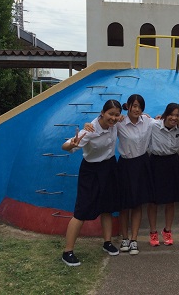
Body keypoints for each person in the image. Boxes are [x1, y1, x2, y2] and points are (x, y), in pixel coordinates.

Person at [61, 99, 122, 267]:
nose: (114, 118)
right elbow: (66, 146)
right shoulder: (90, 130)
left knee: (107, 207)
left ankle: (107, 242)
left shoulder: (116, 124)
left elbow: (134, 119)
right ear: (102, 113)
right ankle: (68, 251)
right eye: (110, 114)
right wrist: (70, 144)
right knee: (81, 210)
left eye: (117, 115)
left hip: (109, 167)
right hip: (91, 170)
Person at [115, 94, 155, 255]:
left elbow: (167, 121)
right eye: (134, 105)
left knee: (137, 203)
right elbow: (104, 122)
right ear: (128, 106)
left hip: (142, 164)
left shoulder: (148, 121)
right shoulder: (120, 123)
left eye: (139, 106)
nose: (136, 109)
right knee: (124, 205)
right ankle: (124, 238)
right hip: (125, 164)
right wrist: (89, 124)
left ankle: (134, 239)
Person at [146, 103, 179, 247]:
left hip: (172, 162)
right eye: (171, 114)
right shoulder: (154, 125)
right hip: (156, 163)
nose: (174, 118)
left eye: (177, 115)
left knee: (171, 200)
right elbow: (136, 117)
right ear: (165, 114)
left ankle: (167, 231)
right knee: (153, 201)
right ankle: (153, 232)